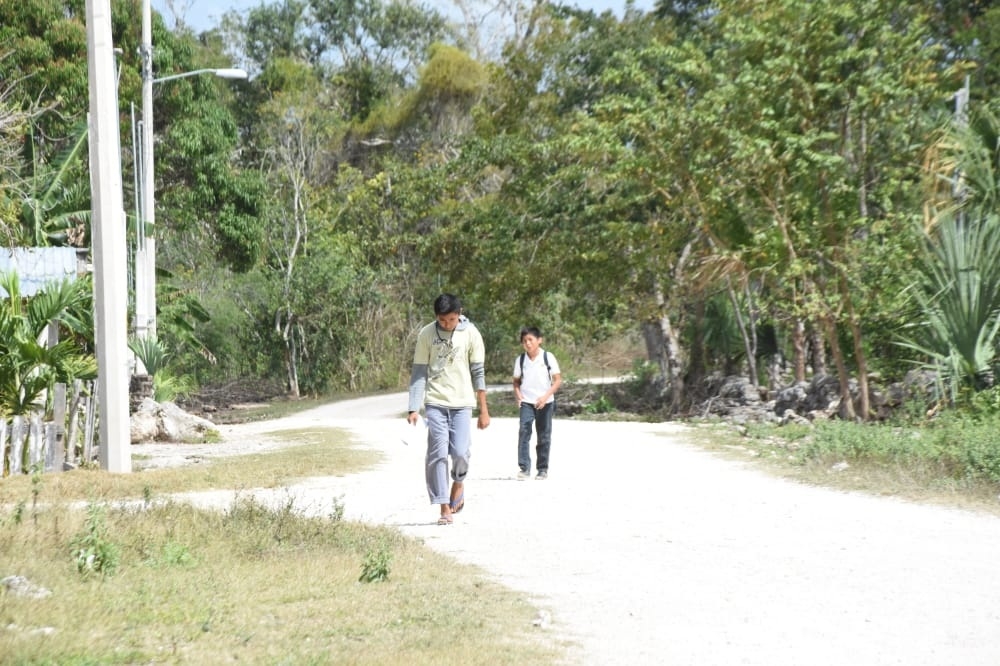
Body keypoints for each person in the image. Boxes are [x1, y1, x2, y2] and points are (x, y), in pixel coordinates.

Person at [407, 293, 491, 525]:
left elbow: (478, 372)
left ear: (459, 313)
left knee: (461, 452)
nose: (447, 324)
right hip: (435, 402)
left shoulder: (471, 333)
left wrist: (484, 409)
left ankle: (459, 482)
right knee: (437, 454)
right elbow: (419, 372)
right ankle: (443, 507)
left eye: (452, 320)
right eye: (442, 321)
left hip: (462, 403)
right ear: (436, 318)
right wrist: (414, 407)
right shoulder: (426, 334)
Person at [512, 326, 562, 480]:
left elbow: (558, 380)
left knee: (544, 436)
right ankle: (524, 468)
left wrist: (545, 397)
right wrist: (518, 396)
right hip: (527, 402)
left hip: (545, 402)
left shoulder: (548, 357)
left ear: (539, 340)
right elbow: (515, 381)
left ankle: (542, 469)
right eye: (524, 341)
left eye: (530, 340)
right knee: (524, 433)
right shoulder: (520, 360)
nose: (527, 343)